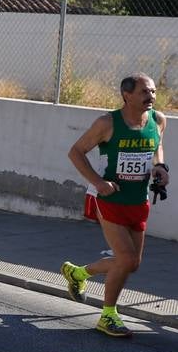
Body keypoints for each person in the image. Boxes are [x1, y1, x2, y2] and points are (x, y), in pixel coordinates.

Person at [62, 74, 167, 338]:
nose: (151, 97)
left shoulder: (157, 120)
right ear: (127, 95)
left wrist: (159, 167)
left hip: (139, 201)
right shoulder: (107, 123)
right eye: (145, 92)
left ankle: (78, 273)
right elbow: (76, 151)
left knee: (132, 264)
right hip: (111, 200)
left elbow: (157, 148)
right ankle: (108, 315)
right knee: (126, 258)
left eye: (153, 92)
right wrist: (98, 182)